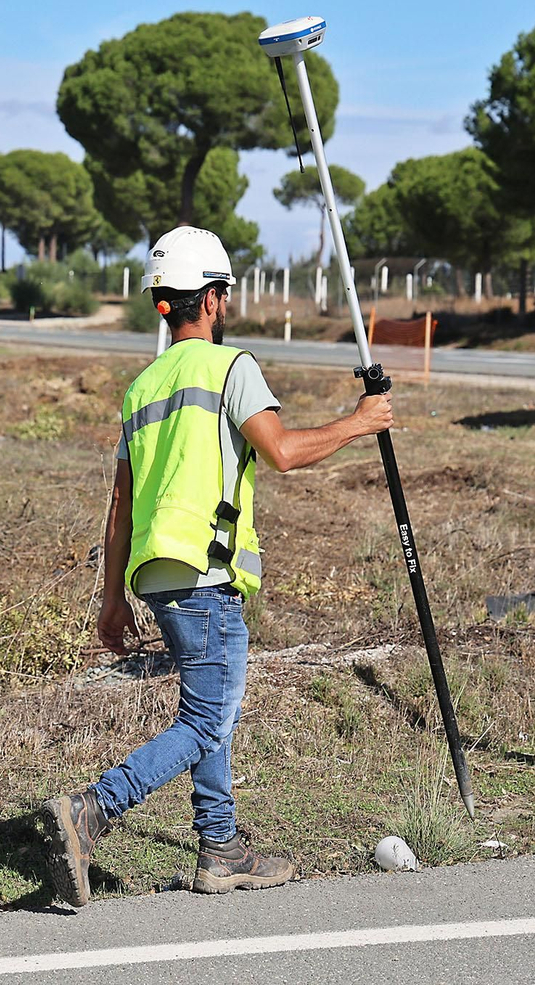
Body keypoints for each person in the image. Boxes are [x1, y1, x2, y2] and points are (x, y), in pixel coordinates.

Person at [43, 227, 394, 907]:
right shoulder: (231, 368)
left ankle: (221, 847)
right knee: (206, 722)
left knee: (209, 714)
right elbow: (284, 452)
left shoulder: (142, 388)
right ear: (211, 299)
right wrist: (359, 422)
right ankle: (92, 810)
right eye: (223, 293)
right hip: (207, 576)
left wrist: (110, 597)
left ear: (160, 304)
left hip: (159, 578)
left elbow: (121, 504)